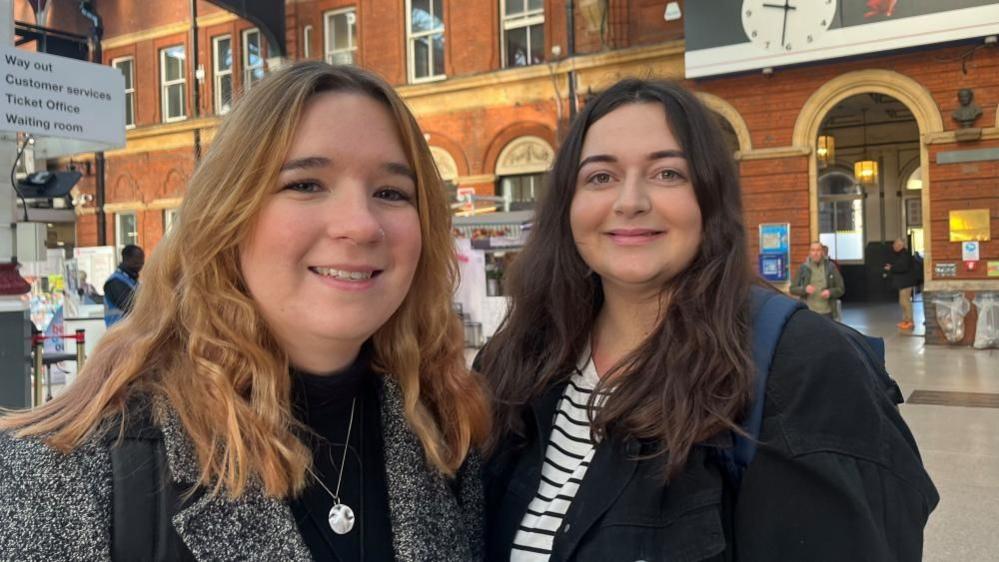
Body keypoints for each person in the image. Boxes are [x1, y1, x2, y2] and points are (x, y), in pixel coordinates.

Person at [0, 62, 489, 561]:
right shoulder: (64, 473)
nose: (361, 225)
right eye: (305, 184)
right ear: (226, 215)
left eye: (391, 193)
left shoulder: (445, 439)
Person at [477, 79, 937, 561]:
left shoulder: (801, 368)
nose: (629, 201)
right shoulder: (518, 361)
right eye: (600, 177)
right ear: (566, 207)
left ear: (710, 198)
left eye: (668, 173)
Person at [790, 241, 845, 319]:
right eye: (813, 250)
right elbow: (792, 289)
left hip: (827, 312)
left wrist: (830, 292)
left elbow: (841, 289)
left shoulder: (831, 267)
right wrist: (804, 289)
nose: (815, 253)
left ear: (822, 252)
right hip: (809, 312)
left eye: (818, 250)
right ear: (809, 252)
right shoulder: (803, 268)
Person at [102, 244, 144, 326]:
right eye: (136, 261)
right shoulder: (115, 282)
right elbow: (131, 306)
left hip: (131, 332)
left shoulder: (132, 281)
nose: (140, 265)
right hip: (119, 333)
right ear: (126, 259)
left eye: (142, 262)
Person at [885, 238, 919, 331]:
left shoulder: (905, 255)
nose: (893, 246)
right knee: (902, 302)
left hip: (906, 283)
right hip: (903, 283)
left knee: (905, 302)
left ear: (900, 246)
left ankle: (910, 321)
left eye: (895, 244)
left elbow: (902, 267)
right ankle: (905, 320)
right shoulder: (900, 255)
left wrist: (891, 268)